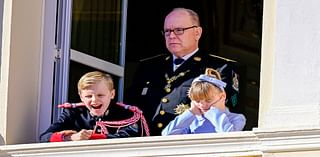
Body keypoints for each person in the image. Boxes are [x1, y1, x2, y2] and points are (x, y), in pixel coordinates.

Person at [125, 7, 241, 136]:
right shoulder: (148, 67)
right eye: (167, 31)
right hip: (145, 145)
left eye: (179, 30)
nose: (172, 36)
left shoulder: (219, 68)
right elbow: (130, 109)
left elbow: (224, 111)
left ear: (197, 33)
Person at [40, 71, 148, 142]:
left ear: (112, 94)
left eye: (100, 95)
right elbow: (44, 137)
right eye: (88, 96)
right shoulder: (73, 113)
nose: (94, 100)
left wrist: (89, 137)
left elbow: (128, 139)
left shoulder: (128, 115)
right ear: (81, 97)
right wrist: (71, 137)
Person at [162, 68, 246, 135]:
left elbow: (229, 136)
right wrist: (191, 112)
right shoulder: (191, 121)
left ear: (222, 96)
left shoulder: (236, 118)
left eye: (208, 100)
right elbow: (167, 135)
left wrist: (214, 111)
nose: (202, 105)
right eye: (197, 101)